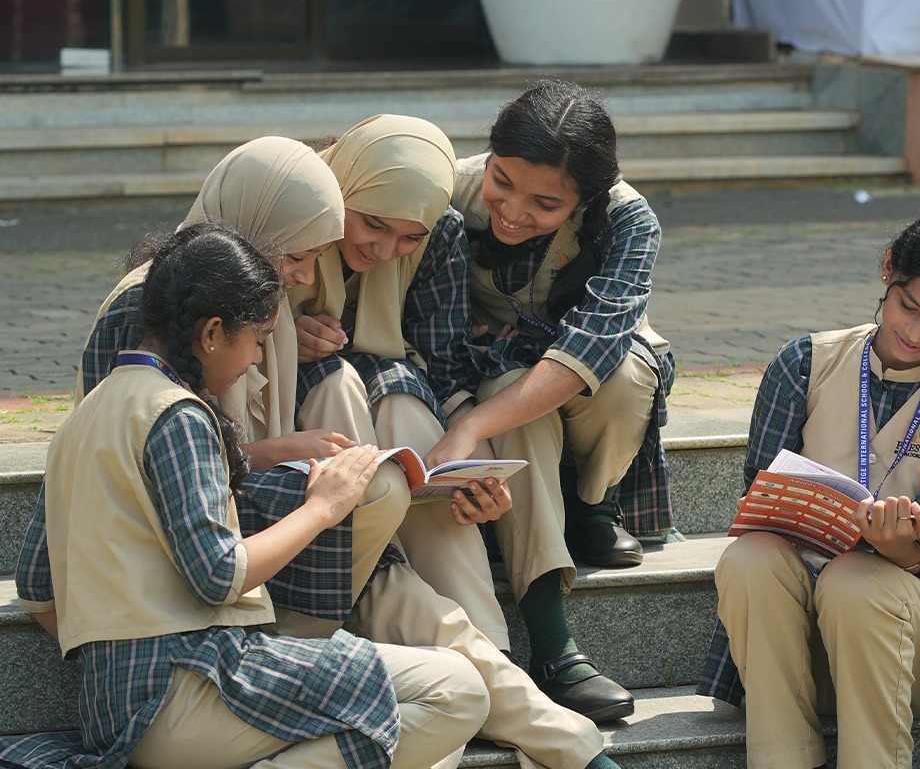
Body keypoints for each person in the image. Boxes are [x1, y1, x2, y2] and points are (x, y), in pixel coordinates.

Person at [0, 224, 488, 769]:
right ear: (211, 332)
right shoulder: (177, 414)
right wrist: (323, 506)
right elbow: (219, 575)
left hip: (116, 714)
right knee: (458, 689)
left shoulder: (81, 420)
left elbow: (39, 591)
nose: (258, 358)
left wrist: (119, 654)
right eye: (258, 337)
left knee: (415, 737)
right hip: (195, 691)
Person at [287, 115, 622, 767]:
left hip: (383, 406)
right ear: (341, 192)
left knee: (409, 404)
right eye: (372, 224)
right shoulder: (291, 211)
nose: (386, 250)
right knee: (339, 387)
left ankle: (487, 650)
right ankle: (494, 682)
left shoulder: (438, 230)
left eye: (406, 236)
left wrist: (472, 470)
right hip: (297, 432)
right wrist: (284, 335)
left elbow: (440, 357)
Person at [698, 209, 920, 769]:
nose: (916, 333)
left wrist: (898, 546)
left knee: (857, 580)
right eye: (907, 306)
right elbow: (759, 503)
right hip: (802, 646)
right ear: (887, 271)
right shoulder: (804, 364)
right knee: (748, 557)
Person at [75, 136, 414, 638]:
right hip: (177, 545)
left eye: (317, 257)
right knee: (375, 490)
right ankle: (299, 640)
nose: (303, 276)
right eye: (296, 255)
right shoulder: (144, 306)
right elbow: (137, 460)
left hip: (222, 524)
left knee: (443, 646)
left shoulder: (259, 300)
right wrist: (282, 461)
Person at [425, 78, 676, 721]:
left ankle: (594, 503)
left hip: (594, 368)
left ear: (585, 198)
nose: (512, 210)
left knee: (623, 380)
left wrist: (469, 429)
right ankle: (554, 645)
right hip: (485, 370)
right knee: (512, 392)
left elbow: (591, 349)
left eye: (544, 203)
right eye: (502, 181)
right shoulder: (443, 189)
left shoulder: (628, 219)